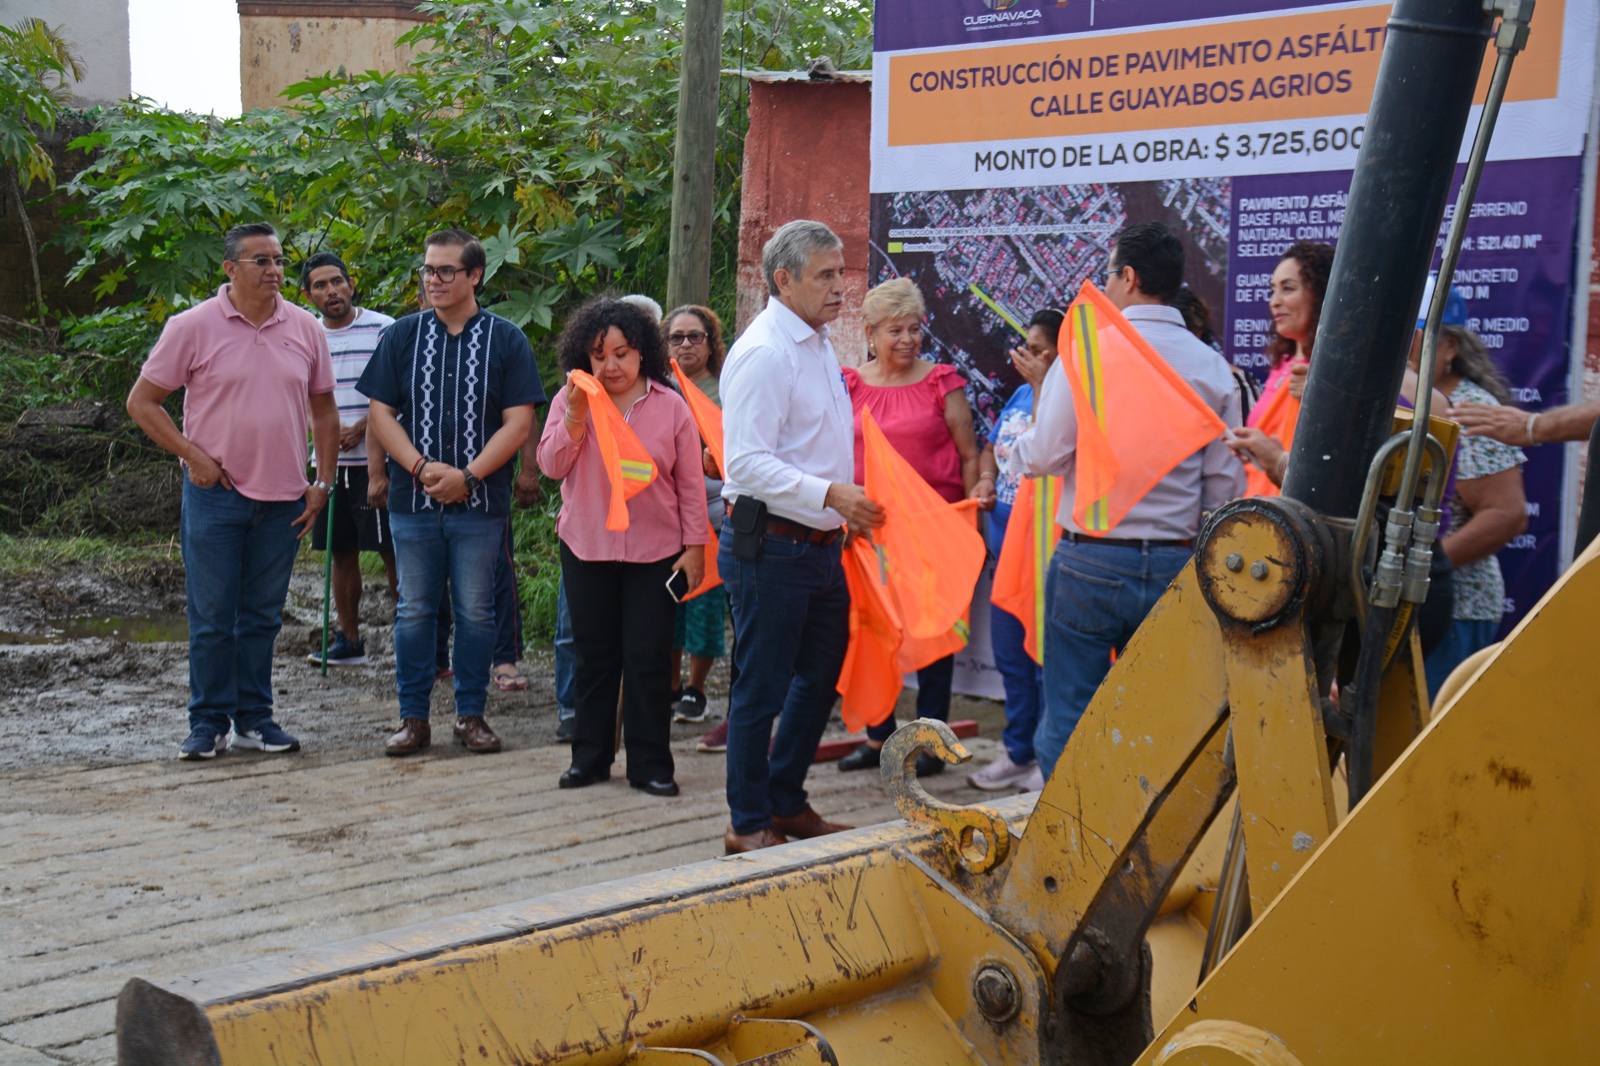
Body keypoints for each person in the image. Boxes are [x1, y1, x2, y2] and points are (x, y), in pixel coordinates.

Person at [1013, 222, 1245, 780]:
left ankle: (1069, 831)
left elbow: (1043, 455)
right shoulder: (1212, 368)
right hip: (1175, 565)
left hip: (1089, 560)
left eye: (1110, 274)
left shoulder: (1087, 350)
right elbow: (1224, 488)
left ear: (1131, 277)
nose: (1106, 286)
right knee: (1165, 722)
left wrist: (1013, 452)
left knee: (1070, 720)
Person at [126, 222, 338, 760]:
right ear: (230, 268)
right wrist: (192, 455)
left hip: (286, 498)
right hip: (216, 494)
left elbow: (324, 410)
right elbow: (142, 402)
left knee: (262, 618)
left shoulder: (306, 328)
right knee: (213, 618)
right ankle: (207, 724)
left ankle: (254, 720)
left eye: (279, 260)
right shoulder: (192, 326)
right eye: (261, 261)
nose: (275, 270)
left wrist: (322, 482)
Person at [718, 220, 885, 854]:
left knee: (818, 677)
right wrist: (831, 494)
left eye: (841, 272)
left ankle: (784, 801)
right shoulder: (766, 352)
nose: (841, 287)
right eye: (826, 275)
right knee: (760, 690)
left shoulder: (816, 341)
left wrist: (840, 505)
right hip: (773, 545)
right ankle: (746, 824)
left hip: (818, 545)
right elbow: (745, 464)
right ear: (784, 280)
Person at [358, 228, 543, 757]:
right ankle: (413, 719)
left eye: (445, 270)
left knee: (477, 611)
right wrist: (419, 467)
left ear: (475, 275)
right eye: (428, 270)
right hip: (412, 503)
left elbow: (518, 422)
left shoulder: (507, 339)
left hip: (479, 505)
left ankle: (471, 715)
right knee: (414, 610)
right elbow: (380, 413)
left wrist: (469, 476)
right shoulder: (401, 336)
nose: (433, 280)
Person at [536, 298, 707, 797]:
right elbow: (550, 466)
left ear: (642, 352)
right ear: (583, 355)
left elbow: (691, 484)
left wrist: (696, 546)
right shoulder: (571, 399)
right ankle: (589, 759)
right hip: (586, 547)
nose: (610, 365)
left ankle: (651, 765)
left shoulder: (670, 405)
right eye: (599, 355)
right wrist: (575, 415)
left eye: (622, 353)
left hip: (656, 552)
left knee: (649, 660)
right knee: (594, 658)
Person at [832, 278, 980, 777]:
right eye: (895, 330)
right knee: (873, 634)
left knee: (933, 635)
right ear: (870, 333)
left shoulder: (942, 382)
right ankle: (878, 738)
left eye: (914, 329)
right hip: (867, 536)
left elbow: (969, 455)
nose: (907, 339)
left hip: (933, 532)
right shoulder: (848, 384)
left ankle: (930, 742)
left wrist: (972, 519)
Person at [965, 308, 1061, 793]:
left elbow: (1046, 450)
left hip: (1045, 553)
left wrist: (1046, 385)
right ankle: (1017, 752)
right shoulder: (1021, 394)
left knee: (1046, 662)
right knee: (1011, 658)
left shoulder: (1067, 397)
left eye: (1041, 350)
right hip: (1005, 548)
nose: (1029, 357)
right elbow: (990, 447)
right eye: (1028, 347)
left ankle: (1048, 757)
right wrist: (986, 478)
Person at [1413, 322, 1527, 697]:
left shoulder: (1467, 410)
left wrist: (1428, 569)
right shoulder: (1414, 401)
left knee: (1431, 727)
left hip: (1456, 609)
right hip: (1412, 603)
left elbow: (1506, 515)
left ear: (1450, 347)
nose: (1402, 347)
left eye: (1415, 337)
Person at [299, 251, 397, 666]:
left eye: (337, 281)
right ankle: (349, 640)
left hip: (380, 460)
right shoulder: (305, 335)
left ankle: (415, 640)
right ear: (309, 295)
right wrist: (319, 430)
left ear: (351, 284)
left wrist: (361, 428)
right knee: (340, 551)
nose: (332, 291)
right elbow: (297, 394)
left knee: (393, 550)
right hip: (328, 463)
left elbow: (397, 390)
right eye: (320, 285)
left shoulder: (383, 328)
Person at [663, 304, 730, 726]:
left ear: (710, 343)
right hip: (664, 518)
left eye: (695, 336)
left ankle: (696, 688)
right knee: (668, 605)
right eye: (677, 337)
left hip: (715, 516)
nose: (685, 344)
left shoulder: (727, 389)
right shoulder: (655, 389)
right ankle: (670, 685)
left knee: (704, 606)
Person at [1225, 241, 1335, 487]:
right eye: (1273, 290)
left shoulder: (1335, 373)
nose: (1274, 301)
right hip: (1259, 502)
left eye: (1288, 288)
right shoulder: (1283, 365)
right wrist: (1256, 450)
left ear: (1322, 293)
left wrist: (1326, 398)